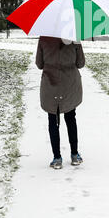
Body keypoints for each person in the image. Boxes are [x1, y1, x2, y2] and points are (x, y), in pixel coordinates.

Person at [35, 36, 85, 169]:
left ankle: (57, 159)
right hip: (69, 84)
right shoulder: (74, 37)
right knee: (70, 118)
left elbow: (39, 64)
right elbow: (80, 63)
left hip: (50, 84)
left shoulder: (44, 38)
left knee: (52, 119)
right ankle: (75, 155)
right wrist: (77, 45)